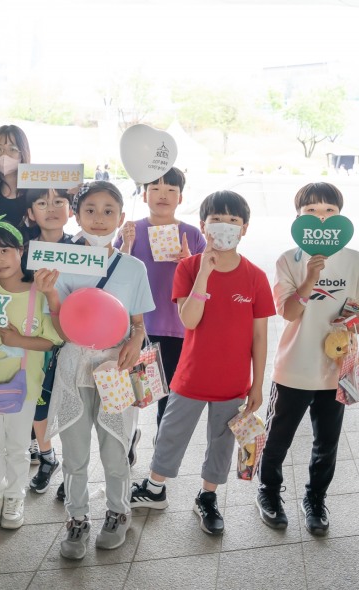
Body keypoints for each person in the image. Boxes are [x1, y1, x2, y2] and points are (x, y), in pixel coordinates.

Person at [128, 191, 275, 538]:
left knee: (221, 441)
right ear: (203, 226)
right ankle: (155, 487)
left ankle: (207, 497)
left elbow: (259, 336)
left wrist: (256, 384)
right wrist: (204, 274)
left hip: (233, 380)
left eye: (233, 221)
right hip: (191, 375)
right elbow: (189, 320)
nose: (225, 227)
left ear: (245, 229)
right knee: (171, 432)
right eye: (217, 220)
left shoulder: (255, 277)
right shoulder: (189, 267)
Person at [37, 181, 153, 559]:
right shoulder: (60, 259)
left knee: (115, 448)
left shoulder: (133, 267)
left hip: (115, 367)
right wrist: (52, 295)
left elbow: (138, 323)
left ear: (121, 218)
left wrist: (136, 341)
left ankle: (118, 513)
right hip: (74, 366)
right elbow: (59, 329)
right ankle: (77, 519)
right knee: (74, 452)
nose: (99, 219)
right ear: (76, 214)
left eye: (108, 211)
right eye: (90, 210)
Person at [257, 182, 359, 535]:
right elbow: (289, 313)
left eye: (329, 211)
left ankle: (315, 498)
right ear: (298, 218)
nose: (321, 218)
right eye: (311, 211)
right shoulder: (288, 260)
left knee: (327, 442)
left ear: (340, 217)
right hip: (294, 367)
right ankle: (269, 492)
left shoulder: (354, 259)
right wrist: (311, 277)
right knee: (278, 437)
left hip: (336, 370)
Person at [0, 219, 62, 529]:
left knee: (18, 448)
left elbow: (53, 339)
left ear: (21, 251)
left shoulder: (38, 292)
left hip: (24, 386)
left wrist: (17, 340)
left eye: (5, 250)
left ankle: (15, 495)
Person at [114, 168, 206, 450]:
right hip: (137, 329)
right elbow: (115, 273)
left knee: (167, 395)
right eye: (155, 188)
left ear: (181, 197)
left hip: (176, 330)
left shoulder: (191, 234)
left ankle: (161, 449)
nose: (163, 195)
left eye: (171, 190)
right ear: (144, 195)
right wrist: (126, 245)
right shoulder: (132, 230)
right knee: (130, 393)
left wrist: (190, 262)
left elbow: (206, 283)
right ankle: (125, 445)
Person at [22, 188, 75, 495]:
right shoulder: (21, 251)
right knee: (37, 404)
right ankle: (47, 458)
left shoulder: (83, 248)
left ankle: (73, 470)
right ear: (31, 213)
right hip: (34, 339)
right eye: (42, 203)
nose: (51, 208)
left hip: (71, 339)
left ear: (70, 209)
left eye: (59, 202)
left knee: (70, 408)